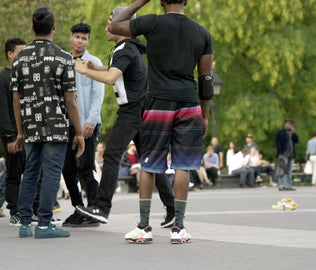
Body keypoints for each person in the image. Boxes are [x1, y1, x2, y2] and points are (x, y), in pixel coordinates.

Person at [90, 0, 213, 244]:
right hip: (189, 103)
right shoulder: (202, 33)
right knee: (182, 166)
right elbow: (206, 78)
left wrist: (141, 1)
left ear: (161, 2)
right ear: (186, 1)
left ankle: (144, 226)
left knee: (150, 163)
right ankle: (178, 228)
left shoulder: (153, 22)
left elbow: (117, 24)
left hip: (158, 102)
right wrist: (205, 115)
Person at [74, 6, 176, 231]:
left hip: (132, 111)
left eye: (111, 22)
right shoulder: (128, 48)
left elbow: (111, 77)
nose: (106, 27)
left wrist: (84, 71)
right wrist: (95, 66)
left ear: (124, 26)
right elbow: (114, 69)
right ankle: (173, 211)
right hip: (143, 110)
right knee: (151, 162)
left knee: (111, 155)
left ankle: (101, 207)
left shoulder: (125, 49)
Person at [10, 6, 84, 239]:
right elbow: (70, 99)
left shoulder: (19, 58)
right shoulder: (64, 58)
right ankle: (44, 224)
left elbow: (16, 99)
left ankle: (24, 224)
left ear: (32, 28)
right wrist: (79, 132)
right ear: (54, 27)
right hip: (56, 124)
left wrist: (20, 132)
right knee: (52, 171)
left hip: (30, 124)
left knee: (31, 170)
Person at [60, 23, 105, 227]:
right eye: (77, 37)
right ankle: (79, 209)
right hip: (66, 124)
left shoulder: (94, 62)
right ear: (71, 38)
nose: (80, 41)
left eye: (84, 38)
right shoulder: (62, 61)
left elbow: (98, 95)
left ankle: (94, 207)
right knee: (67, 168)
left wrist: (91, 121)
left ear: (88, 41)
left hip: (88, 123)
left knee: (86, 167)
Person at [0, 37, 28, 224]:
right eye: (20, 52)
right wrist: (10, 137)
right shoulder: (1, 80)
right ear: (10, 54)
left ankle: (31, 210)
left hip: (28, 133)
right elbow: (1, 112)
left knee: (33, 172)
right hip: (12, 135)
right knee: (13, 174)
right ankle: (15, 212)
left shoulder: (25, 75)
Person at [276, 118, 298, 191]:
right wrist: (280, 154)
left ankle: (289, 185)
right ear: (285, 124)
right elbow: (278, 144)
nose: (290, 126)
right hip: (283, 153)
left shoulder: (292, 133)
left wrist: (294, 133)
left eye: (291, 124)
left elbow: (297, 141)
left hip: (290, 154)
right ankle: (282, 185)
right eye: (289, 124)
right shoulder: (281, 132)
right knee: (283, 170)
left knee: (289, 170)